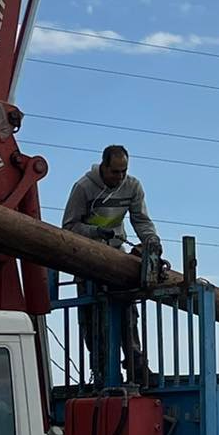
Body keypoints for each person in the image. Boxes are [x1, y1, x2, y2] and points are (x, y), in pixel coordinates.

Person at [63, 146, 165, 385]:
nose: (119, 177)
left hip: (117, 260)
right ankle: (101, 370)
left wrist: (152, 243)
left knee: (128, 312)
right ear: (103, 166)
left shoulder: (132, 186)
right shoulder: (83, 188)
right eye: (115, 171)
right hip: (87, 263)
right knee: (94, 319)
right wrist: (96, 232)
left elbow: (141, 220)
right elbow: (68, 227)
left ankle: (137, 365)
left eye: (124, 171)